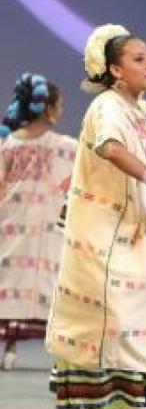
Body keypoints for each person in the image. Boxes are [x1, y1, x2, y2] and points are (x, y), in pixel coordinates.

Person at [46, 24, 146, 409]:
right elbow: (109, 148)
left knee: (138, 326)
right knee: (103, 324)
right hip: (101, 238)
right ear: (114, 69)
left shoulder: (137, 112)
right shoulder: (108, 107)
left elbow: (137, 171)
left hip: (133, 234)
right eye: (138, 59)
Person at [0, 73, 76, 370]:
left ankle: (9, 348)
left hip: (11, 226)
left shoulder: (5, 145)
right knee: (50, 286)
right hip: (43, 229)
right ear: (49, 109)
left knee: (11, 283)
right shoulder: (65, 145)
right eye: (59, 106)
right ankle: (62, 354)